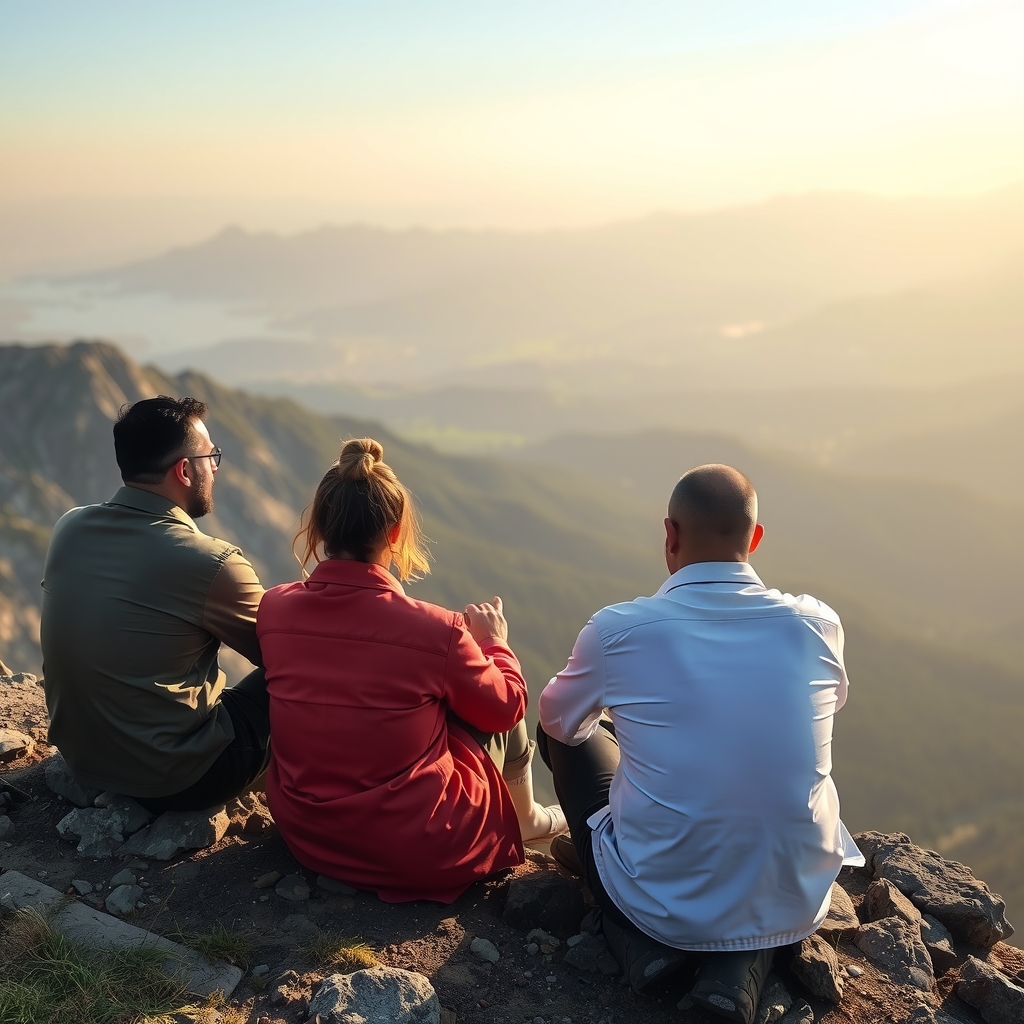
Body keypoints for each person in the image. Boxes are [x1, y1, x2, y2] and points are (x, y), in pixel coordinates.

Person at [537, 464, 864, 1024]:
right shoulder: (818, 623)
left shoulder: (618, 631)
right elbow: (823, 709)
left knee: (568, 736)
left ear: (669, 534)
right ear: (755, 539)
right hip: (798, 893)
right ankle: (740, 967)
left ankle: (638, 938)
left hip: (661, 902)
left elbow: (560, 723)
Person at [257, 437, 566, 903]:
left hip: (311, 837)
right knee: (489, 692)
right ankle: (527, 821)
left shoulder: (274, 609)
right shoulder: (438, 631)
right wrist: (495, 644)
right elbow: (506, 709)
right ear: (396, 532)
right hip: (417, 849)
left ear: (318, 528)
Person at [41, 396, 270, 812]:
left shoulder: (69, 527)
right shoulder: (211, 562)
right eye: (210, 456)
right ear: (184, 470)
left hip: (83, 761)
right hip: (180, 779)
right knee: (305, 663)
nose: (215, 466)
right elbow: (287, 649)